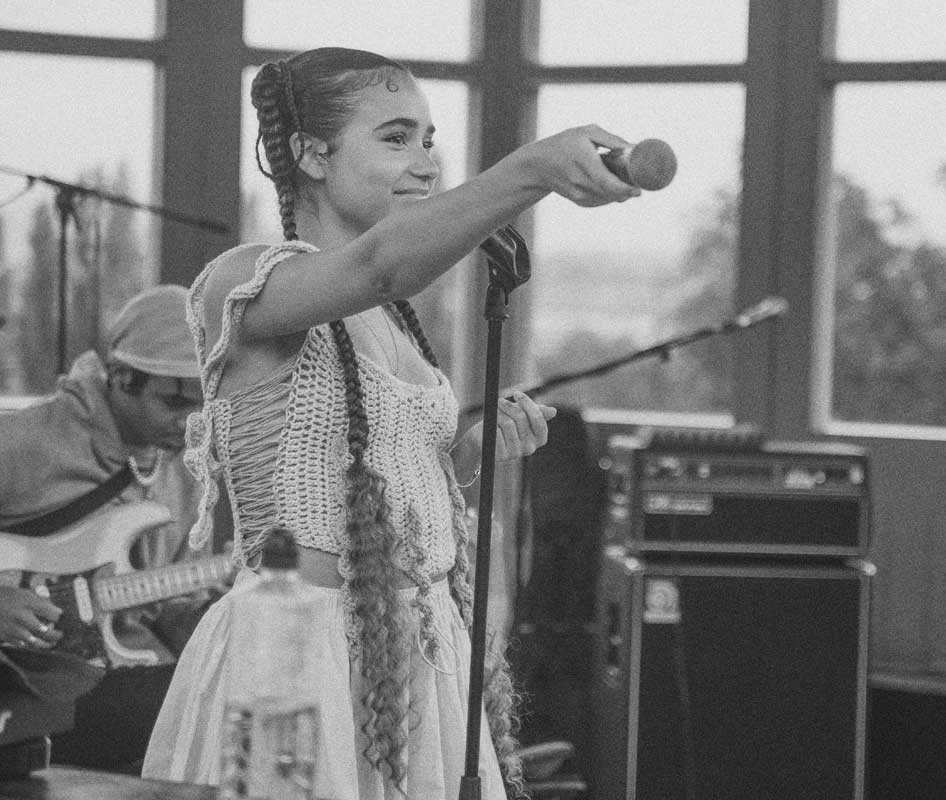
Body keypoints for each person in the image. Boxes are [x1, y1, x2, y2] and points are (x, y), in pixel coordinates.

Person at [141, 47, 642, 800]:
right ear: (310, 153)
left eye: (430, 140)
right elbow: (379, 264)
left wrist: (469, 454)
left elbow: (395, 479)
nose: (426, 162)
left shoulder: (395, 318)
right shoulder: (244, 282)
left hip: (419, 657)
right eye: (396, 137)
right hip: (300, 657)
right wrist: (530, 171)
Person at [0, 284, 210, 771]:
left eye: (204, 403)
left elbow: (171, 607)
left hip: (129, 667)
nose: (191, 422)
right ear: (120, 377)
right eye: (175, 403)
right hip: (31, 678)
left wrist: (209, 619)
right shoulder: (28, 442)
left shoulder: (188, 470)